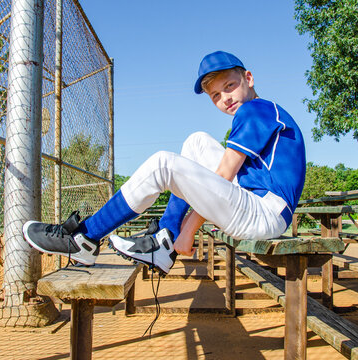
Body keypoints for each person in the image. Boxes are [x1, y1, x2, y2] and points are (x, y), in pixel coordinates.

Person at [23, 51, 306, 275]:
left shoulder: (256, 109)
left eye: (230, 85)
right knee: (196, 142)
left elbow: (224, 174)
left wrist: (189, 232)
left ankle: (84, 239)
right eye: (215, 95)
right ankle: (165, 239)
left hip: (265, 213)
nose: (224, 98)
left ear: (249, 78)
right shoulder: (263, 111)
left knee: (163, 164)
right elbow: (221, 176)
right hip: (258, 205)